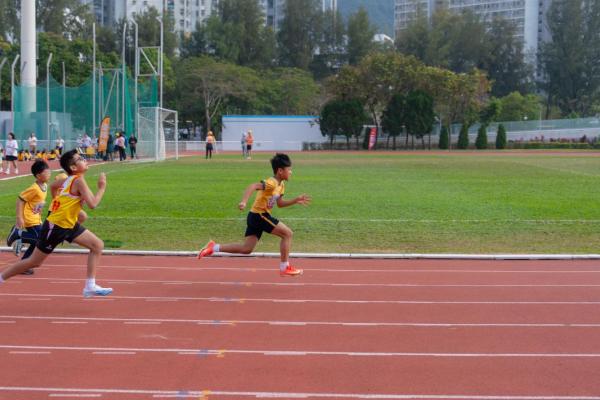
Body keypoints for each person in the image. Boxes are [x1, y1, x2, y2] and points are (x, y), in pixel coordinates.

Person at [0, 149, 112, 298]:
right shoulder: (78, 180)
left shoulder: (68, 179)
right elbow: (93, 204)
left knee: (97, 245)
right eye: (80, 159)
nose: (84, 159)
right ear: (73, 167)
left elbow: (53, 186)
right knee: (34, 262)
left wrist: (59, 203)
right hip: (56, 226)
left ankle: (90, 286)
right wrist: (102, 187)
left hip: (68, 224)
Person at [198, 153, 311, 277]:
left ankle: (213, 247)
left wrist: (295, 200)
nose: (291, 172)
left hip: (255, 216)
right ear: (280, 171)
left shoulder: (281, 185)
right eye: (289, 169)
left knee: (246, 249)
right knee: (287, 234)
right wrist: (244, 201)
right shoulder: (272, 183)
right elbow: (253, 186)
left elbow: (280, 204)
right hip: (259, 215)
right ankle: (284, 267)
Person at [6, 160, 52, 275]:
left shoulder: (45, 186)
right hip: (29, 219)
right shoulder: (34, 188)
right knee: (40, 241)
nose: (49, 174)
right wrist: (19, 218)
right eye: (47, 173)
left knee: (37, 243)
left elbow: (36, 202)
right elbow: (20, 200)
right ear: (38, 175)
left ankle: (24, 265)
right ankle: (18, 234)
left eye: (49, 172)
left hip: (36, 218)